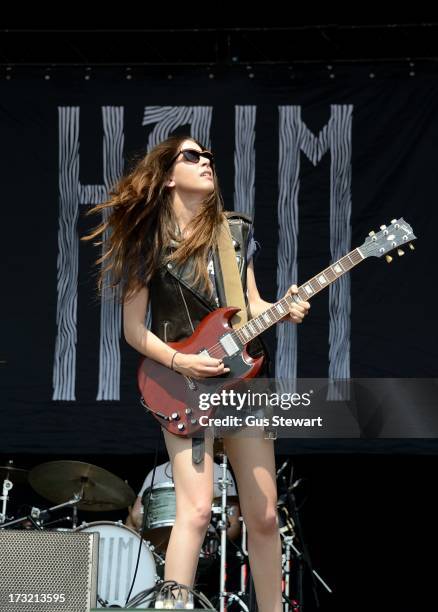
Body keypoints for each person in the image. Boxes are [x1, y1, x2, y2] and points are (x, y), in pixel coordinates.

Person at [85, 135, 310, 612]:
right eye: (192, 156)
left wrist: (282, 308)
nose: (206, 160)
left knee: (265, 515)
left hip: (244, 384)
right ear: (168, 175)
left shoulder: (234, 232)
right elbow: (133, 330)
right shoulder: (147, 241)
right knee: (193, 510)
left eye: (208, 155)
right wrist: (181, 360)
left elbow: (250, 305)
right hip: (183, 385)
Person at [125, 459, 241, 543]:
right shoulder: (157, 473)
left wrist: (216, 540)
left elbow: (234, 524)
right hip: (160, 546)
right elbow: (135, 516)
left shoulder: (220, 472)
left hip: (206, 547)